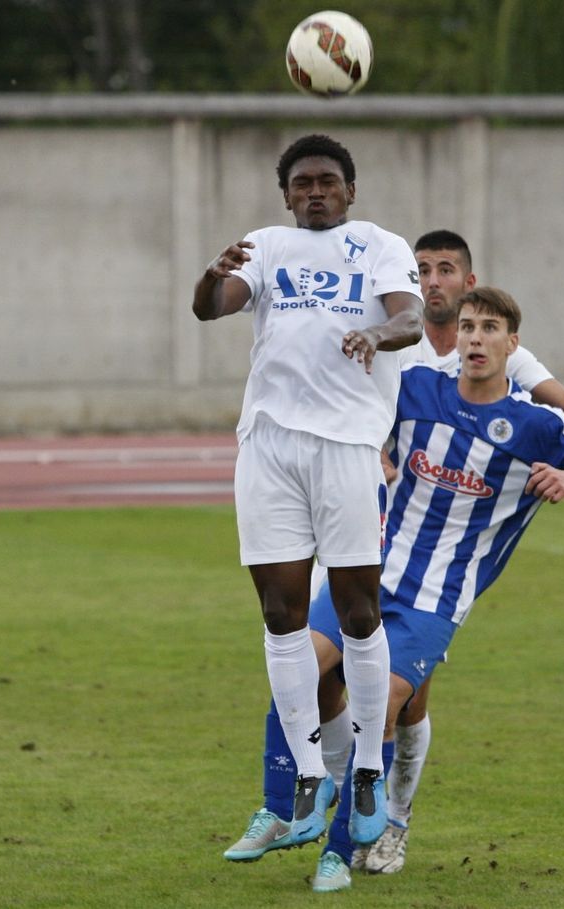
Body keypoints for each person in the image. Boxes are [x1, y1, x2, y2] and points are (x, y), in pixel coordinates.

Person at [223, 230, 564, 875]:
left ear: (470, 286)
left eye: (445, 270)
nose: (433, 281)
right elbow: (350, 399)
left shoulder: (510, 371)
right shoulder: (410, 364)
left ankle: (389, 822)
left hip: (439, 587)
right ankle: (306, 802)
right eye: (423, 269)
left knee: (401, 706)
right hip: (372, 552)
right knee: (308, 673)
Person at [193, 133, 423, 848]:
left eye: (327, 181)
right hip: (268, 446)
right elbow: (212, 307)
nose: (315, 191)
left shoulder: (379, 244)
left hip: (348, 445)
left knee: (358, 610)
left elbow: (411, 318)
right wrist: (210, 276)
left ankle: (366, 766)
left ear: (349, 190)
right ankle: (306, 771)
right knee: (279, 612)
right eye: (302, 183)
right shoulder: (266, 247)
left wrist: (376, 335)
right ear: (286, 194)